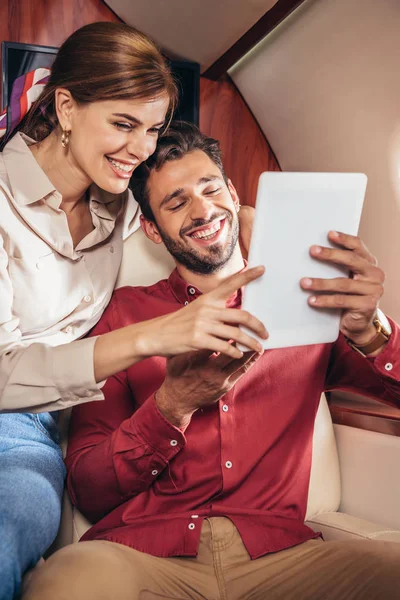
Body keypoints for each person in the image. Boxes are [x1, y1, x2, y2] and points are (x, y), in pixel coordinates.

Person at [23, 121, 400, 600]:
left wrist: (372, 331)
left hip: (280, 555)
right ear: (153, 231)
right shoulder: (122, 316)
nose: (203, 211)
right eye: (177, 203)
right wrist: (170, 407)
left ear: (232, 192)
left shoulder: (311, 302)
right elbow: (87, 488)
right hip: (145, 555)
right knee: (67, 584)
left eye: (210, 189)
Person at [0, 25, 264, 600]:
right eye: (123, 124)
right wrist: (151, 337)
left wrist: (251, 220)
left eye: (152, 128)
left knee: (11, 523)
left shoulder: (118, 195)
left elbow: (191, 204)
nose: (140, 149)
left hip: (30, 426)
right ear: (65, 107)